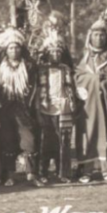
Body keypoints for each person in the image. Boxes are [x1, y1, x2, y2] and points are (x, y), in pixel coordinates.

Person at [77, 17, 107, 183]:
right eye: (96, 34)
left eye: (102, 35)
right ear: (90, 37)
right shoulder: (86, 56)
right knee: (89, 134)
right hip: (89, 105)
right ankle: (87, 171)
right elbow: (79, 76)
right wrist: (94, 80)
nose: (99, 38)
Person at [0, 29, 38, 186]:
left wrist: (29, 102)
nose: (14, 50)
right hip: (5, 108)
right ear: (6, 50)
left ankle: (31, 173)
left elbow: (34, 87)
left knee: (29, 139)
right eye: (11, 48)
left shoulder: (29, 66)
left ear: (21, 49)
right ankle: (9, 175)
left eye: (17, 47)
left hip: (23, 109)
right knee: (7, 140)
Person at [35, 34, 78, 184]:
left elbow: (71, 88)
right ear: (47, 53)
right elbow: (37, 90)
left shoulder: (65, 69)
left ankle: (63, 173)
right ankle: (43, 173)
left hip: (63, 109)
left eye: (58, 52)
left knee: (63, 142)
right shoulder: (41, 69)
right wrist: (38, 109)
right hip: (46, 109)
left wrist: (71, 103)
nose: (56, 54)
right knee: (46, 143)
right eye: (52, 51)